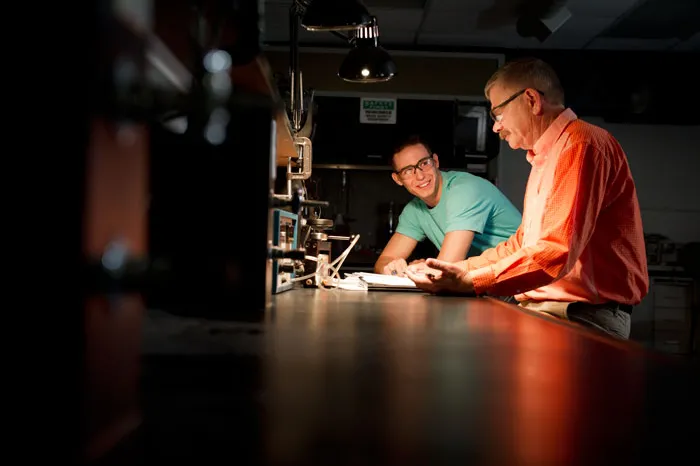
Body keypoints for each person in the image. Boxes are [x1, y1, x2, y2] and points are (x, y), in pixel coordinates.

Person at [405, 57, 649, 340]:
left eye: (498, 114)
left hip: (583, 316)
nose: (496, 127)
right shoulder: (545, 157)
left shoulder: (581, 145)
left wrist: (471, 280)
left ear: (532, 100)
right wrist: (456, 270)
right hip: (552, 309)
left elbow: (555, 251)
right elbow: (522, 244)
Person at [374, 135, 522, 278]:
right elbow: (384, 260)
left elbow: (446, 267)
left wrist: (421, 268)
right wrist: (392, 269)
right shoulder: (414, 210)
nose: (420, 176)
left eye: (424, 163)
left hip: (524, 281)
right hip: (489, 283)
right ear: (398, 179)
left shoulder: (465, 190)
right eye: (408, 171)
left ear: (436, 162)